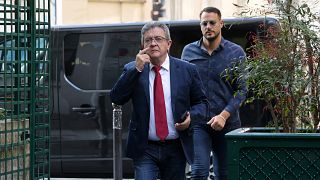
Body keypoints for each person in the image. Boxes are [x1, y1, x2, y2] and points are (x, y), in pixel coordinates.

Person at [110, 21, 207, 180]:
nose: (153, 43)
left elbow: (202, 103)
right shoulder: (132, 69)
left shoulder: (187, 70)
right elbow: (116, 97)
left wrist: (191, 118)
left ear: (168, 44)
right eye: (148, 40)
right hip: (145, 147)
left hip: (176, 146)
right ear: (142, 45)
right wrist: (136, 69)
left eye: (158, 39)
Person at [181, 7, 247, 180]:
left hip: (228, 123)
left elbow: (242, 90)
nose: (208, 26)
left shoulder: (235, 52)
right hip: (198, 122)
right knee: (198, 172)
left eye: (212, 23)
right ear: (200, 26)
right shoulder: (188, 52)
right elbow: (182, 86)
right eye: (204, 23)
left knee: (225, 175)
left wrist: (224, 116)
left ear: (221, 24)